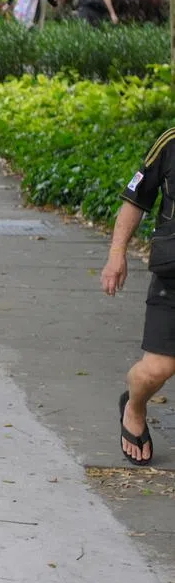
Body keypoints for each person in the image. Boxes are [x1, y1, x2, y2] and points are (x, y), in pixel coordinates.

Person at [100, 129, 175, 463]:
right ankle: (134, 404)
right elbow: (136, 198)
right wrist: (117, 253)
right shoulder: (170, 143)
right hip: (172, 279)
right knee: (154, 372)